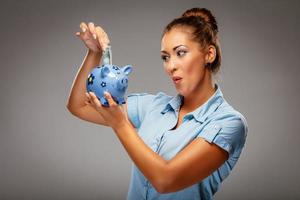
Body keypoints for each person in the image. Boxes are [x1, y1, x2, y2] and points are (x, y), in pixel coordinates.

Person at [66, 7, 248, 200]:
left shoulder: (229, 123)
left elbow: (166, 180)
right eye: (165, 57)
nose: (171, 66)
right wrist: (94, 53)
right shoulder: (154, 106)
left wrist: (120, 124)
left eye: (181, 53)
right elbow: (79, 106)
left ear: (209, 55)